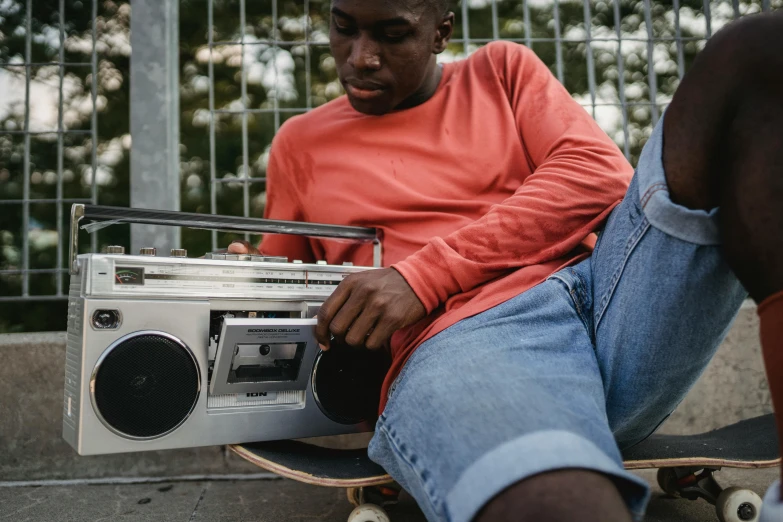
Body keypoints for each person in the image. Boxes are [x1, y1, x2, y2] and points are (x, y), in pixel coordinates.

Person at [228, 1, 783, 520]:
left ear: (440, 32)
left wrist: (423, 273)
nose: (361, 57)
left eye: (393, 34)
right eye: (344, 27)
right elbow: (287, 283)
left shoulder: (501, 69)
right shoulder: (300, 143)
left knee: (756, 53)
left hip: (611, 297)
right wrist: (238, 279)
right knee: (562, 505)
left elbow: (595, 177)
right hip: (462, 336)